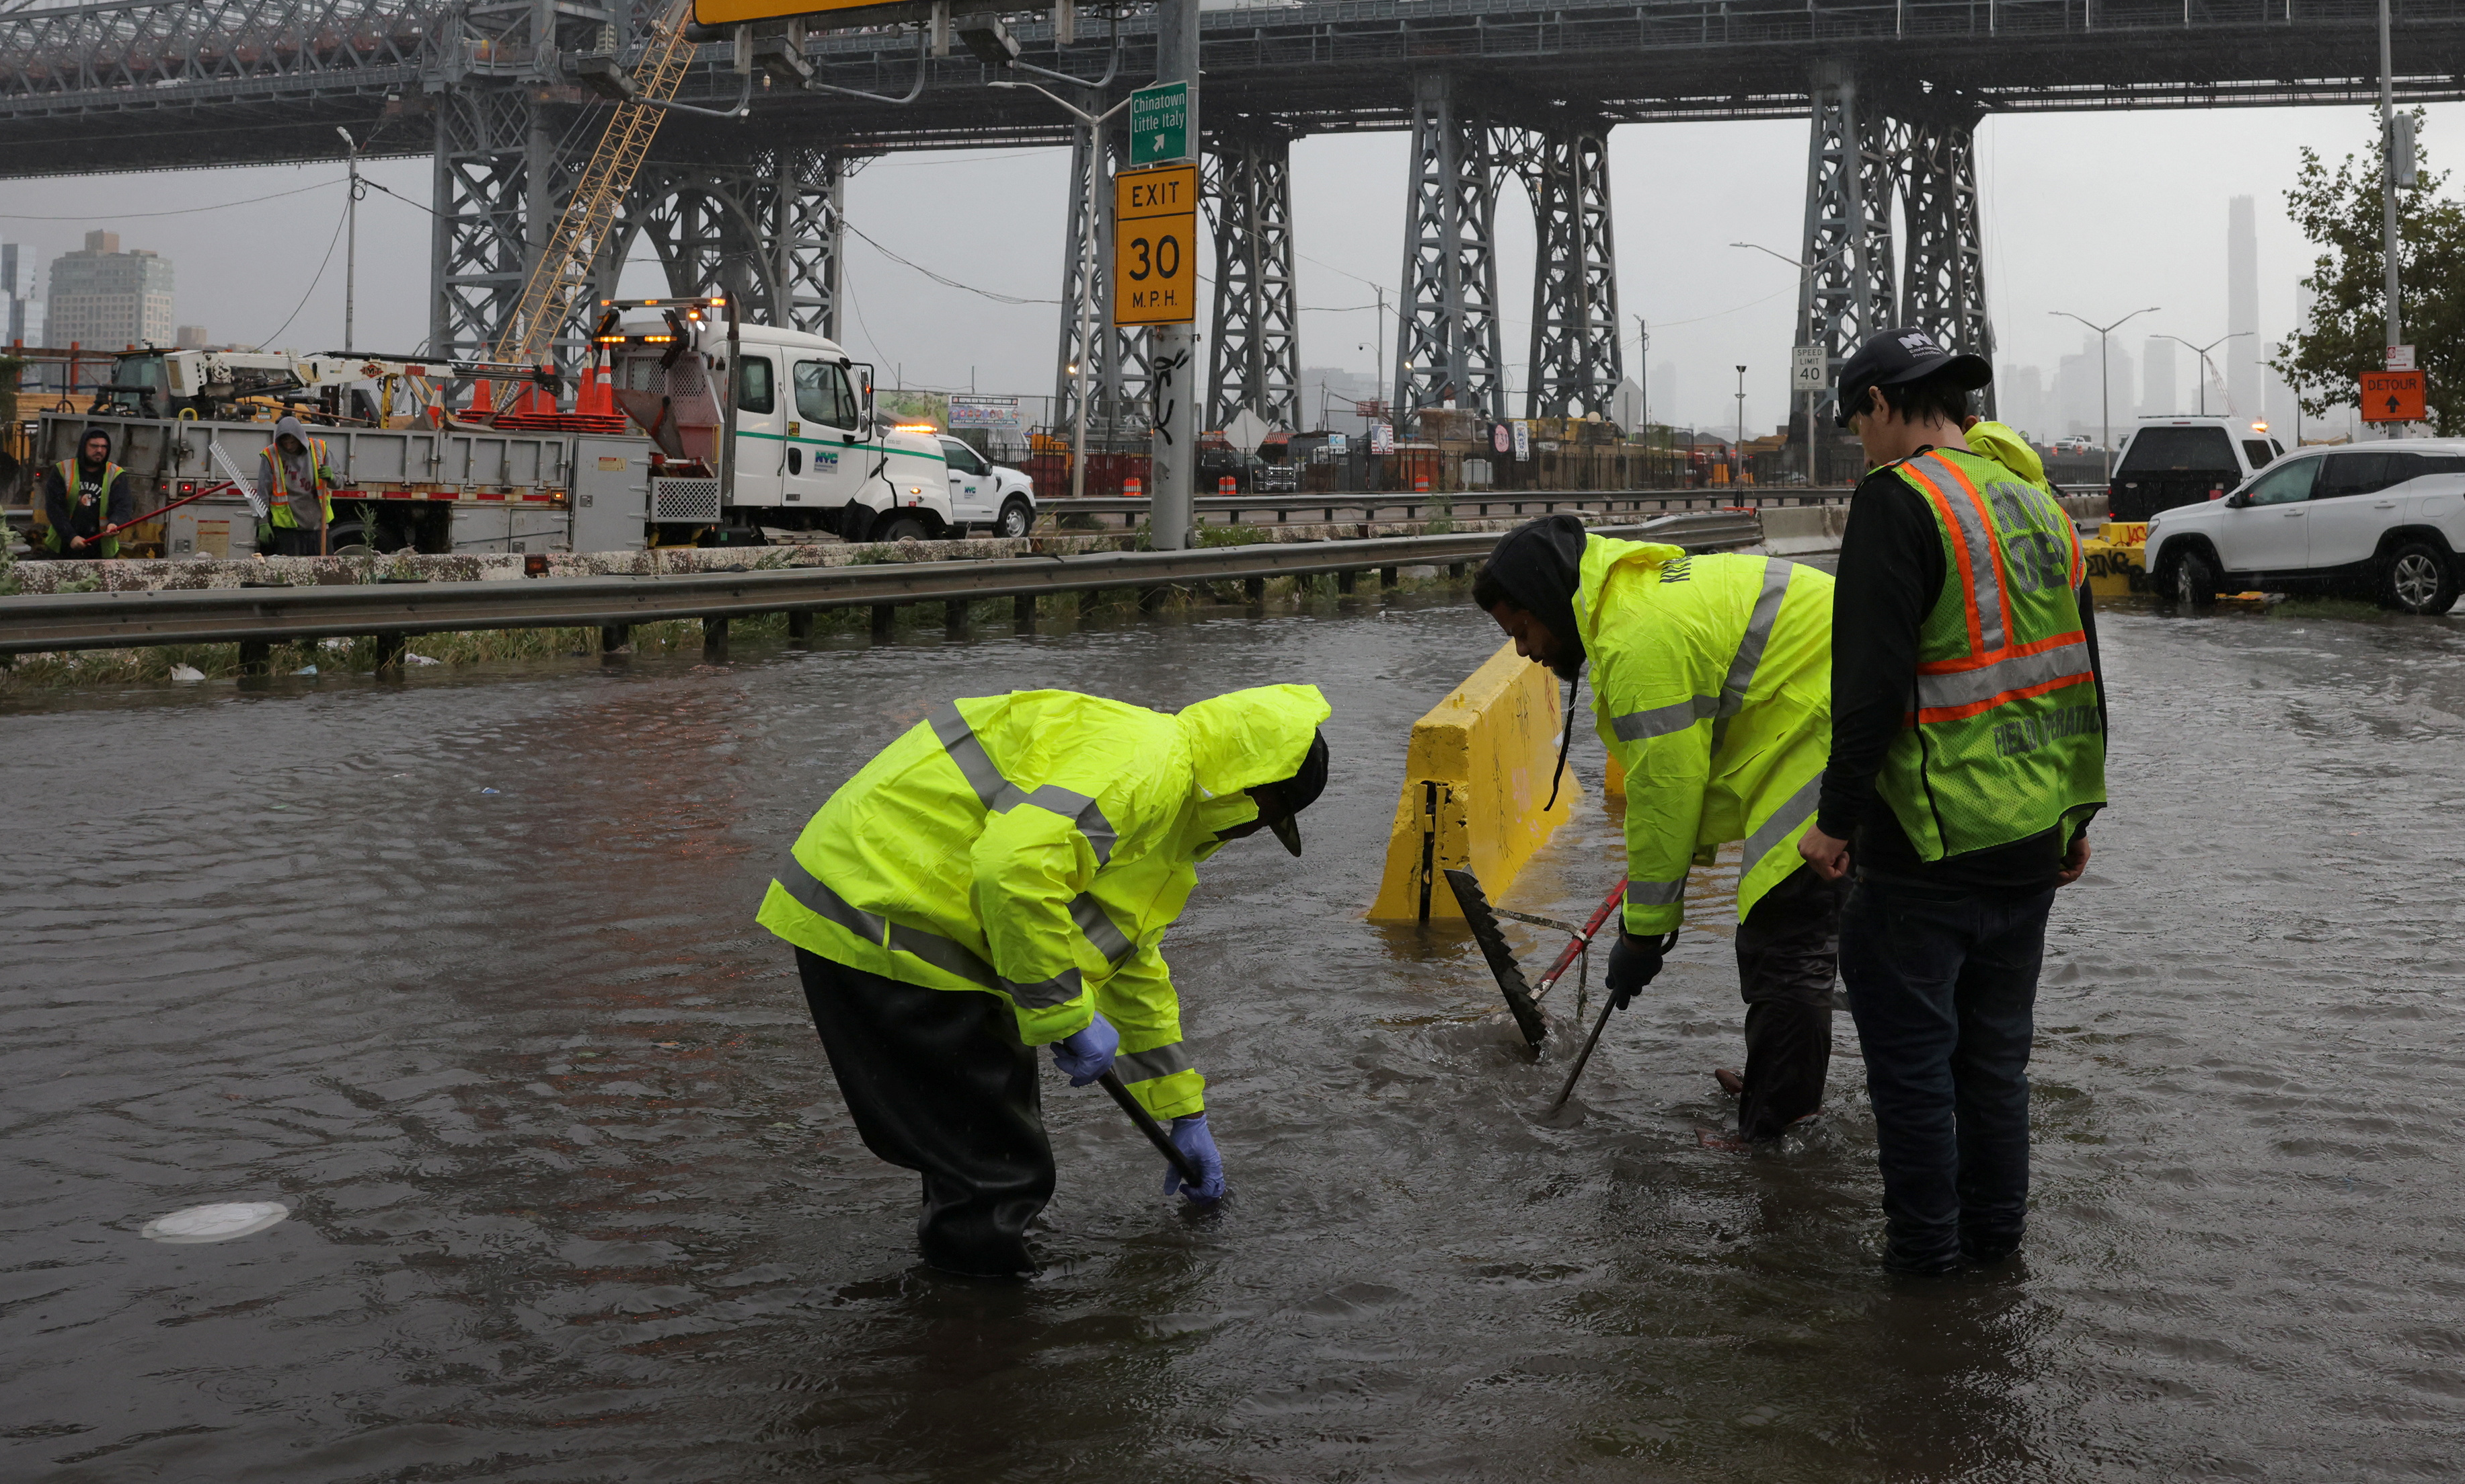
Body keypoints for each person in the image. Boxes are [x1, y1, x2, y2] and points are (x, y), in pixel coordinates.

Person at [758, 685, 1332, 1278]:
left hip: (908, 918)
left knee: (983, 1149)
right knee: (1000, 1168)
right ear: (1248, 797)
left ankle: (959, 1302)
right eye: (1262, 820)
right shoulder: (1147, 768)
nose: (1247, 834)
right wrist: (1064, 1011)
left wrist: (1184, 1113)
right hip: (887, 917)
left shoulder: (1162, 806)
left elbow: (1127, 963)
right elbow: (1014, 870)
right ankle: (990, 1335)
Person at [1803, 325, 2107, 1275]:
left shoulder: (1897, 502)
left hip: (1923, 848)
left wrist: (1833, 825)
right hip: (2029, 842)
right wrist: (2074, 818)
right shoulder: (2035, 505)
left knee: (1911, 1081)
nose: (1861, 442)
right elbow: (2079, 676)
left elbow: (1867, 690)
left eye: (1859, 422)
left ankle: (1925, 1288)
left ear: (1883, 405)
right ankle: (1997, 1264)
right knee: (1994, 1072)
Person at [1474, 514, 1842, 1144]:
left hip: (1832, 722)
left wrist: (1642, 936)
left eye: (1524, 628)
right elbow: (1688, 767)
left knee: (1783, 935)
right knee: (1788, 934)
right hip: (1815, 708)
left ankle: (1778, 1128)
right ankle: (1779, 1083)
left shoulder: (1636, 639)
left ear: (1549, 603)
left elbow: (1665, 791)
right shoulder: (1627, 596)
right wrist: (1656, 892)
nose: (1526, 650)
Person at [43, 426, 135, 557]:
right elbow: (55, 509)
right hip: (63, 547)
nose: (99, 450)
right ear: (83, 447)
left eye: (104, 447)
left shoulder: (115, 474)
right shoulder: (63, 470)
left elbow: (123, 506)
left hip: (102, 549)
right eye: (94, 446)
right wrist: (71, 537)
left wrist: (115, 524)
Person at [256, 414, 334, 556]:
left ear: (300, 439)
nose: (289, 446)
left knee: (321, 574)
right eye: (285, 443)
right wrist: (263, 522)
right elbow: (263, 494)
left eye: (292, 442)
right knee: (288, 575)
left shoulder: (319, 450)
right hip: (288, 532)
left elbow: (338, 482)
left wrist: (333, 477)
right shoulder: (271, 455)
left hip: (318, 528)